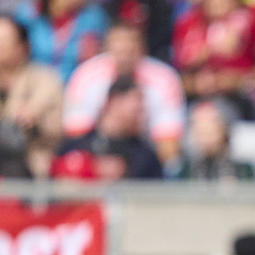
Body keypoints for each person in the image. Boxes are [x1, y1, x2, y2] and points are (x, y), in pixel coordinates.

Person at [63, 21, 185, 171]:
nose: (124, 57)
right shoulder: (86, 75)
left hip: (146, 154)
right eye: (119, 49)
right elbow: (76, 137)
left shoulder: (164, 78)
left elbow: (169, 146)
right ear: (107, 48)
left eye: (130, 49)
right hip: (98, 155)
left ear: (142, 48)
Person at [52, 74, 162, 179]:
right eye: (136, 110)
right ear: (113, 101)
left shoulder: (145, 157)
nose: (141, 116)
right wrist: (88, 169)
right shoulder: (73, 148)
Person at [0, 13, 61, 177]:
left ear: (22, 47)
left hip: (30, 166)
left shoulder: (44, 79)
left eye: (4, 42)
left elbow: (55, 129)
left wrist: (33, 121)